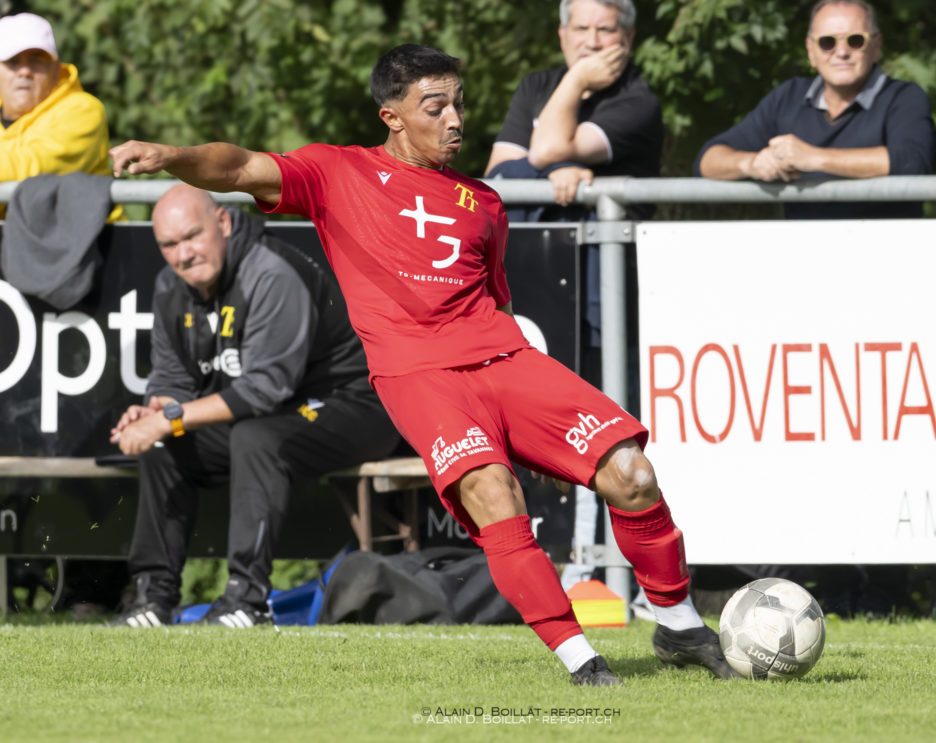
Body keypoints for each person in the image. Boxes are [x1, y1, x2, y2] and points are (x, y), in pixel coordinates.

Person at [108, 43, 737, 684]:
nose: (455, 119)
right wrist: (171, 158)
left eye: (459, 103)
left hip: (503, 356)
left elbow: (497, 303)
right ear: (393, 117)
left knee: (631, 474)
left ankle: (681, 625)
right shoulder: (336, 173)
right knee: (495, 495)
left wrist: (529, 437)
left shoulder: (485, 204)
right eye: (435, 107)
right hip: (417, 377)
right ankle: (582, 662)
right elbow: (239, 166)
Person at [107, 184, 399, 628]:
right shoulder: (171, 286)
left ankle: (246, 600)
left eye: (192, 236)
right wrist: (156, 412)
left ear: (222, 223)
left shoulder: (270, 272)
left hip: (355, 404)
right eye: (169, 244)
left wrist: (168, 420)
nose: (183, 254)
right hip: (276, 413)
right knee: (167, 446)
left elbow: (264, 389)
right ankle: (153, 598)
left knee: (253, 435)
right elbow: (173, 381)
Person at [693, 0, 934, 219]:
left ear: (876, 46)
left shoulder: (903, 97)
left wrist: (814, 158)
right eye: (827, 42)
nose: (841, 52)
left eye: (855, 40)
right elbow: (707, 161)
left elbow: (912, 162)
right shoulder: (788, 97)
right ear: (811, 51)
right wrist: (752, 163)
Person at [484, 0, 662, 215]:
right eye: (581, 28)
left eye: (605, 30)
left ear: (629, 37)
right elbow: (496, 175)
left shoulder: (637, 102)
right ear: (563, 35)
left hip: (601, 243)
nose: (592, 42)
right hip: (527, 241)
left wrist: (577, 78)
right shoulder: (535, 86)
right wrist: (551, 172)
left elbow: (545, 151)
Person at [0, 12, 121, 219]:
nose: (25, 71)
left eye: (37, 60)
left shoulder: (83, 110)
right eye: (13, 62)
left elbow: (33, 168)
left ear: (56, 69)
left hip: (90, 247)